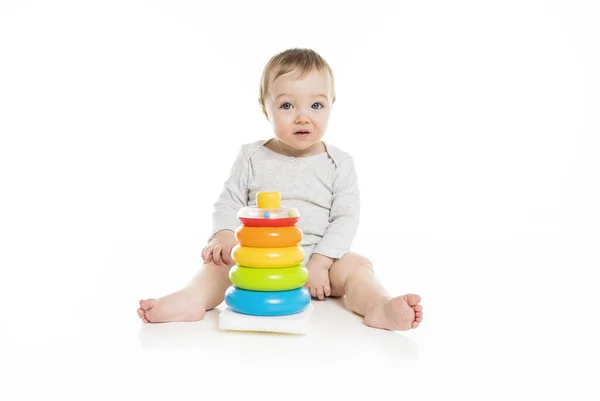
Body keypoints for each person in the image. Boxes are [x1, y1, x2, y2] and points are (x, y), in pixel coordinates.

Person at [137, 48, 423, 330]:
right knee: (219, 266)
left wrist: (322, 263)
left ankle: (377, 306)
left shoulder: (339, 163)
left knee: (358, 268)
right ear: (266, 109)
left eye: (316, 106)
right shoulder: (252, 157)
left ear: (331, 106)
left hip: (318, 260)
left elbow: (346, 218)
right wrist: (224, 235)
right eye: (287, 106)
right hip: (260, 260)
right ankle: (192, 299)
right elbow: (229, 200)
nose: (302, 117)